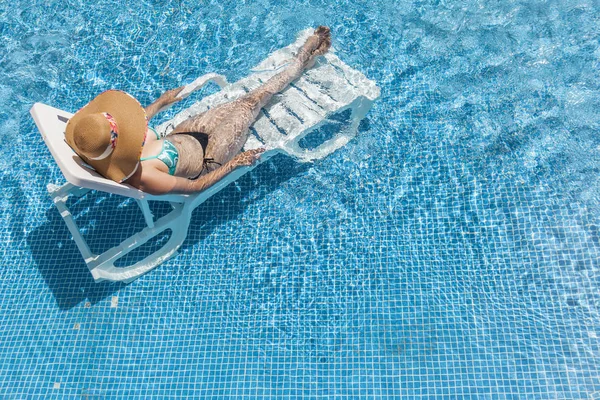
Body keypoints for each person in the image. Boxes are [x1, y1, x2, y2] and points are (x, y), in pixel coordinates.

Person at [65, 27, 331, 195]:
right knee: (251, 102)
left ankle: (299, 64)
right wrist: (235, 163)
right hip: (208, 157)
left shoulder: (96, 146)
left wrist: (161, 101)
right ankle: (301, 61)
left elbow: (141, 120)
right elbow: (193, 187)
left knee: (244, 102)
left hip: (185, 134)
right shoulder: (146, 179)